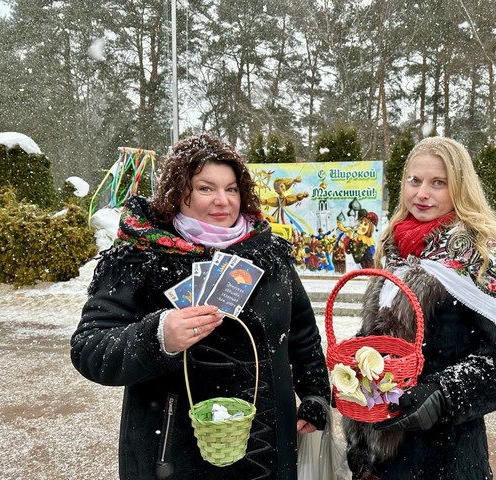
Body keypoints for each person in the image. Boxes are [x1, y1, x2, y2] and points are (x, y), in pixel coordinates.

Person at [71, 133, 330, 479]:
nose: (223, 201)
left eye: (231, 189)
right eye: (206, 188)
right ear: (178, 192)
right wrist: (158, 336)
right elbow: (90, 348)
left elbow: (302, 335)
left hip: (268, 452)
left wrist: (315, 394)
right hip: (174, 456)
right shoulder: (139, 256)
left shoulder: (270, 254)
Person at [342, 136, 496, 479]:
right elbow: (385, 333)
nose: (422, 193)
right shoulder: (396, 248)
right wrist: (357, 359)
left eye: (438, 183)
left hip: (443, 459)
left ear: (459, 187)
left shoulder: (476, 257)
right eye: (414, 180)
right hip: (378, 459)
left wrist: (442, 394)